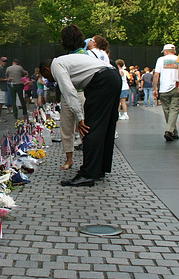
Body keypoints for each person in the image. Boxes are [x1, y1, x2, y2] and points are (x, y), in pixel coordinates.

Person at [40, 54, 120, 186]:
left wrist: (80, 118)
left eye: (47, 76)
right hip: (113, 77)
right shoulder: (64, 61)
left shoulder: (56, 67)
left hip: (101, 81)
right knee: (106, 127)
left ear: (47, 70)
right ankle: (100, 168)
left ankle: (88, 174)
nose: (50, 80)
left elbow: (69, 92)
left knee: (90, 128)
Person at [58, 24, 88, 170]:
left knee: (82, 126)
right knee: (67, 126)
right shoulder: (72, 55)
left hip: (80, 93)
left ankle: (82, 160)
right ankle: (70, 159)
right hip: (70, 94)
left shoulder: (83, 55)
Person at [153, 44, 179, 141]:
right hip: (176, 86)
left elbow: (156, 75)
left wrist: (155, 89)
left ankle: (170, 131)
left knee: (167, 111)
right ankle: (172, 131)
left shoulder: (160, 60)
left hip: (164, 88)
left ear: (165, 51)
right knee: (174, 110)